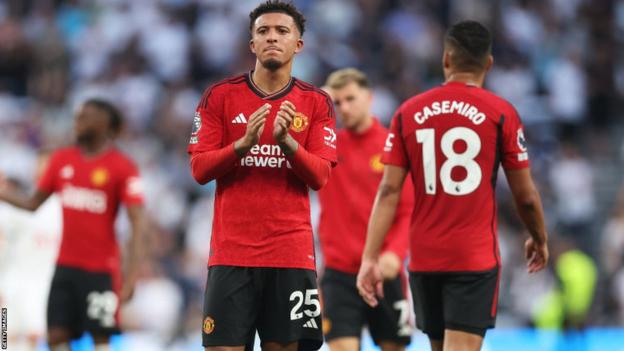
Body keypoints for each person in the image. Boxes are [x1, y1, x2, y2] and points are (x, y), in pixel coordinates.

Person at [357, 20, 549, 351]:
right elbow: (526, 197)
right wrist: (539, 237)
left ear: (446, 59)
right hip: (472, 258)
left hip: (424, 259)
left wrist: (369, 257)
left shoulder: (408, 113)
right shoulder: (501, 113)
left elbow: (388, 191)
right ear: (488, 63)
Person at [187, 1, 337, 351]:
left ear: (298, 44)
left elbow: (319, 178)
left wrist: (286, 143)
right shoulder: (220, 96)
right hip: (231, 256)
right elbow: (199, 170)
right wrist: (242, 145)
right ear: (251, 44)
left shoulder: (316, 102)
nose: (272, 38)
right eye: (263, 31)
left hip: (291, 255)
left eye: (282, 31)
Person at [0, 98, 146, 351]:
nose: (77, 122)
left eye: (85, 117)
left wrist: (131, 277)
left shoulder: (122, 167)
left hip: (101, 270)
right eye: (77, 116)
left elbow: (138, 223)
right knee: (51, 337)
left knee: (101, 336)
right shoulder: (62, 161)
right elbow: (32, 203)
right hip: (61, 270)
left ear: (105, 124)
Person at [317, 68, 413, 351]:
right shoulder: (325, 146)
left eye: (350, 99)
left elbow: (407, 209)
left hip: (383, 271)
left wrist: (394, 254)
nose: (344, 108)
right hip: (339, 273)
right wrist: (313, 99)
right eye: (337, 103)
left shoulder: (391, 146)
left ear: (369, 98)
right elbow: (289, 130)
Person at [0, 153, 61, 351]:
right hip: (10, 286)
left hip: (44, 287)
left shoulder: (66, 210)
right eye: (40, 165)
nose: (42, 170)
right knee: (4, 337)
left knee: (33, 340)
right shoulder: (20, 203)